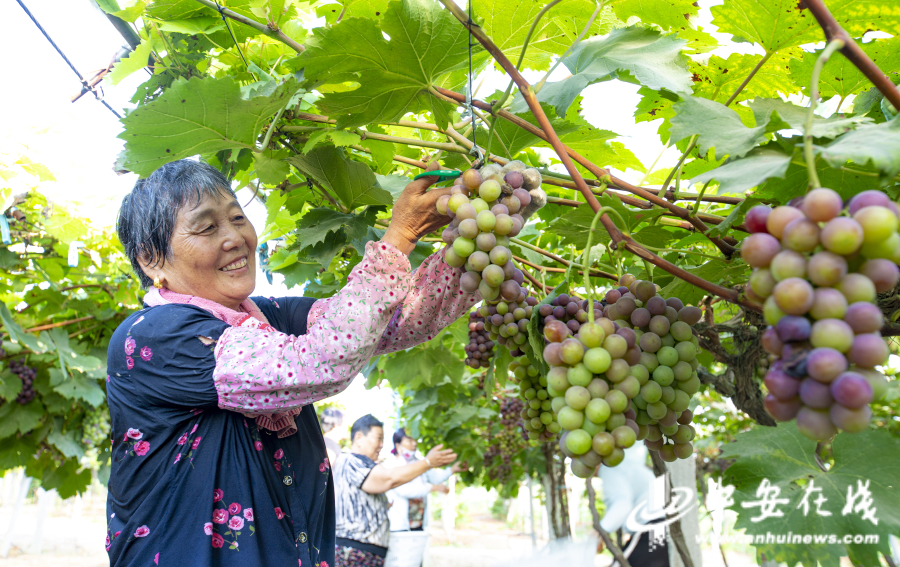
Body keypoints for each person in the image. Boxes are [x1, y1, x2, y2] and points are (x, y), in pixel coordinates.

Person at [105, 159, 480, 567]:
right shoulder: (155, 335)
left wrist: (476, 241)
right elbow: (323, 358)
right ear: (150, 258)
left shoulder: (269, 317)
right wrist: (400, 235)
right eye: (207, 227)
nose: (235, 238)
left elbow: (390, 320)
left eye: (237, 218)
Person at [333, 415, 457, 567]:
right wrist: (428, 462)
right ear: (358, 437)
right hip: (355, 551)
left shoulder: (357, 463)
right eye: (378, 438)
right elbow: (388, 479)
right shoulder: (352, 461)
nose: (381, 445)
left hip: (365, 551)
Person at [595, 445, 669, 567]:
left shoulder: (608, 468)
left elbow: (622, 505)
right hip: (660, 529)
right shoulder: (628, 465)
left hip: (649, 529)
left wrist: (599, 533)